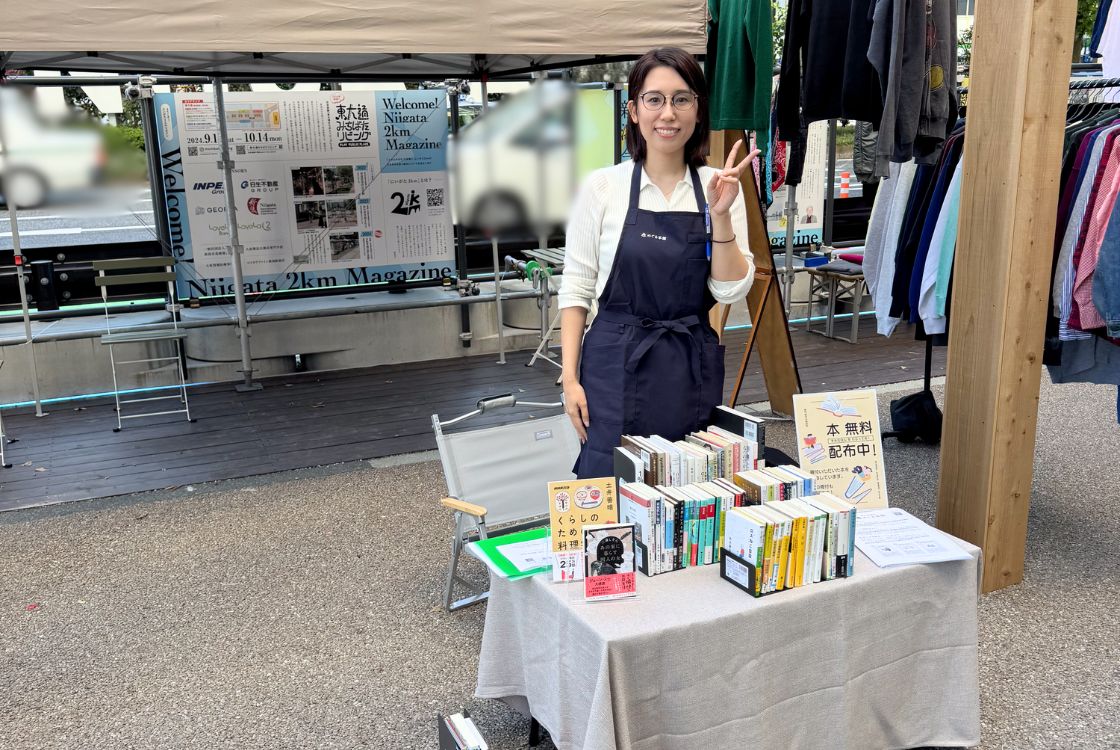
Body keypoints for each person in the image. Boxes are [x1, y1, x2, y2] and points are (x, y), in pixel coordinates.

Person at [559, 47, 758, 479]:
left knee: (688, 492)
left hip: (688, 363)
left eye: (682, 99)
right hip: (613, 364)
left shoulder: (718, 186)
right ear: (633, 110)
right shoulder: (602, 188)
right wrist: (570, 380)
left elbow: (730, 290)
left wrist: (720, 215)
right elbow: (575, 289)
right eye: (655, 99)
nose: (668, 114)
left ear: (698, 110)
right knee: (608, 486)